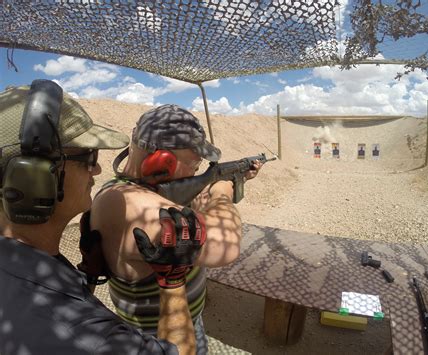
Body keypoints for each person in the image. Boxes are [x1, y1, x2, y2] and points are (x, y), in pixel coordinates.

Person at [0, 81, 198, 355]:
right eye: (88, 157)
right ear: (31, 176)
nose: (98, 169)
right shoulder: (88, 335)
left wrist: (84, 276)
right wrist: (173, 281)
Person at [88, 104, 262, 354]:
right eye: (195, 162)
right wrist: (222, 195)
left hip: (183, 321)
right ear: (162, 161)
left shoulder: (127, 189)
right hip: (158, 338)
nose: (196, 170)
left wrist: (236, 179)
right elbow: (226, 246)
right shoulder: (131, 205)